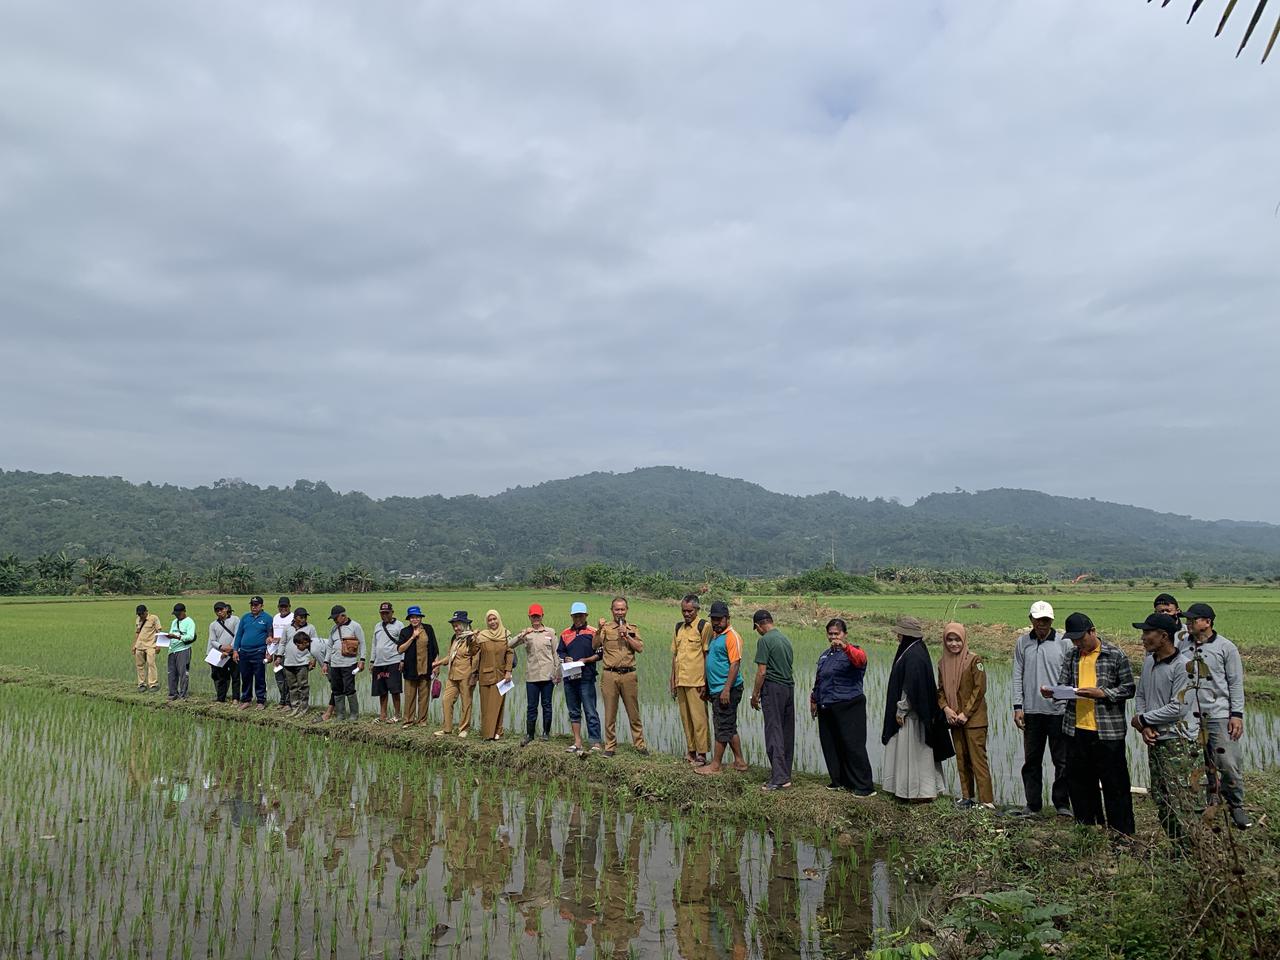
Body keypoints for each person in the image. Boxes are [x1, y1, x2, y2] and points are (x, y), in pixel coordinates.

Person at [1042, 612, 1136, 836]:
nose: (1078, 644)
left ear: (1092, 632)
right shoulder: (1073, 656)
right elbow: (1063, 684)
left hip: (1107, 731)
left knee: (1115, 784)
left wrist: (1102, 693)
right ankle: (1088, 826)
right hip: (1076, 729)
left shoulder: (1114, 655)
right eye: (1074, 640)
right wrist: (1054, 692)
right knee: (1080, 782)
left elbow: (1129, 688)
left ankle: (1121, 830)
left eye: (1081, 639)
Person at [1131, 612, 1201, 848]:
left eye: (1147, 633)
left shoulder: (1184, 667)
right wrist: (1145, 724)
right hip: (1156, 738)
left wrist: (1143, 718)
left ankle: (1192, 849)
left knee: (1180, 800)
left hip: (1177, 743)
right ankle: (1178, 848)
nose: (1143, 638)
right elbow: (1141, 695)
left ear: (1163, 636)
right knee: (1161, 798)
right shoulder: (1150, 660)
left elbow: (1178, 708)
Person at [1178, 602, 1250, 829]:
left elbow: (1235, 683)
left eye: (1193, 620)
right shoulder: (1182, 645)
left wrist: (1236, 714)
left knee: (1227, 762)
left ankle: (1235, 803)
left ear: (1207, 622)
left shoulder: (1226, 648)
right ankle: (1208, 800)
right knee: (1197, 761)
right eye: (1187, 620)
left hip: (1218, 712)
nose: (1188, 623)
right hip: (1190, 713)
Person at [1012, 600, 1073, 817]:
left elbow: (1071, 675)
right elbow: (1017, 675)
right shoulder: (1022, 643)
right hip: (1031, 711)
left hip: (1058, 711)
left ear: (1051, 621)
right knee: (1032, 761)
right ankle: (1033, 804)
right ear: (1031, 620)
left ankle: (1062, 804)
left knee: (1062, 760)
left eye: (1046, 620)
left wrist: (1066, 700)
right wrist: (1018, 706)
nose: (1042, 625)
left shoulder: (1064, 642)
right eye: (1038, 620)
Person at [880, 616, 952, 801]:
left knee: (913, 753)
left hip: (912, 716)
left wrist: (901, 709)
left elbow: (909, 686)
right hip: (919, 713)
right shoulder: (917, 650)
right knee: (919, 754)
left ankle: (914, 791)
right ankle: (919, 790)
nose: (897, 637)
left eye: (900, 634)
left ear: (905, 635)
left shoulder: (912, 655)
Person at [809, 617, 873, 796]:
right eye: (830, 634)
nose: (833, 637)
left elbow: (860, 661)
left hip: (849, 705)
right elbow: (820, 678)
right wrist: (814, 699)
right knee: (831, 744)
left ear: (845, 634)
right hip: (827, 705)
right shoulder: (825, 655)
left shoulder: (854, 651)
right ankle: (839, 780)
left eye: (836, 634)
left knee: (853, 745)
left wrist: (845, 647)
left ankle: (864, 786)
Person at [937, 622, 993, 808]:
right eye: (949, 640)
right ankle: (967, 796)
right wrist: (946, 709)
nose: (953, 644)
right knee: (962, 759)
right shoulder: (942, 663)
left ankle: (986, 801)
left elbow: (979, 689)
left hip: (974, 720)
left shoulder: (974, 660)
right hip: (954, 720)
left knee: (978, 761)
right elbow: (941, 691)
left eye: (957, 640)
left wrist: (965, 713)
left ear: (964, 640)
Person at [695, 601, 749, 776]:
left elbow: (735, 664)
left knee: (722, 726)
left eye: (720, 619)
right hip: (717, 688)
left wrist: (726, 689)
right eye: (714, 619)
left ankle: (715, 765)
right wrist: (706, 686)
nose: (716, 622)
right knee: (728, 725)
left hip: (727, 689)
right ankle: (739, 762)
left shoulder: (732, 636)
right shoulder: (716, 635)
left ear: (728, 618)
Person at [594, 597, 648, 757]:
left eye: (622, 609)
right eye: (616, 609)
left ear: (627, 610)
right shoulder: (606, 628)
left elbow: (640, 648)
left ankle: (639, 744)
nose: (619, 612)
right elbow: (595, 645)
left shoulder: (633, 628)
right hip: (610, 674)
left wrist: (627, 636)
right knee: (610, 713)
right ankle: (610, 746)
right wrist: (598, 629)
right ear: (612, 611)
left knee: (634, 712)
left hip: (629, 675)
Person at [749, 610, 795, 791]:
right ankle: (785, 774)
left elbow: (762, 671)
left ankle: (778, 779)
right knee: (786, 732)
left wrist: (755, 695)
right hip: (788, 688)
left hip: (773, 689)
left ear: (759, 625)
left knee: (773, 731)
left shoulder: (764, 640)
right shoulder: (785, 639)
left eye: (757, 628)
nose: (758, 632)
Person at [670, 594, 712, 765]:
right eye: (684, 611)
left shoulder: (704, 626)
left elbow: (707, 655)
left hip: (697, 681)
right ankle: (691, 751)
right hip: (681, 680)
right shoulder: (678, 627)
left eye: (690, 611)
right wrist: (672, 679)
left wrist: (706, 682)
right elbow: (675, 656)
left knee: (699, 718)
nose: (686, 614)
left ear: (697, 610)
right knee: (686, 718)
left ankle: (702, 754)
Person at [511, 603, 559, 745]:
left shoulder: (550, 633)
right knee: (531, 706)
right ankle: (530, 734)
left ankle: (545, 733)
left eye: (538, 616)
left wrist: (557, 672)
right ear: (529, 617)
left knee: (547, 705)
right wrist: (522, 634)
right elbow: (510, 644)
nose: (536, 618)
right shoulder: (527, 634)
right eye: (533, 616)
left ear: (542, 616)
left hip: (548, 675)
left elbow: (555, 654)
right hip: (532, 676)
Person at [559, 602, 602, 754]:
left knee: (590, 710)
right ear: (571, 616)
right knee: (574, 711)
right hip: (570, 677)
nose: (578, 618)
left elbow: (600, 653)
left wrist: (587, 660)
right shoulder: (565, 633)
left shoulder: (594, 632)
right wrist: (566, 658)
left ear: (586, 616)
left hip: (586, 677)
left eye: (581, 615)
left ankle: (595, 742)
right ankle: (577, 742)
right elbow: (560, 652)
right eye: (575, 616)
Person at [435, 611, 478, 737]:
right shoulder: (455, 638)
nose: (455, 628)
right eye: (454, 625)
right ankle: (447, 728)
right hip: (452, 675)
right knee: (446, 700)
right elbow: (450, 656)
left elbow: (475, 652)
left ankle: (464, 729)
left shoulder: (471, 638)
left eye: (458, 625)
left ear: (465, 624)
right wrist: (437, 663)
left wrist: (473, 638)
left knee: (466, 702)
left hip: (466, 676)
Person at [474, 610, 515, 740]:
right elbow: (473, 651)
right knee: (486, 707)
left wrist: (508, 671)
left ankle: (498, 732)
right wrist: (473, 639)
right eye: (490, 620)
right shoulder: (482, 636)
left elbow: (510, 653)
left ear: (499, 619)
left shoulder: (505, 634)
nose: (492, 622)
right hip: (485, 675)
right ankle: (487, 734)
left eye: (494, 619)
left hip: (502, 676)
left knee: (499, 705)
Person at [398, 605, 438, 728]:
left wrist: (436, 665)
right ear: (409, 619)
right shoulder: (405, 632)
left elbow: (434, 648)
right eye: (412, 617)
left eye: (417, 617)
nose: (415, 619)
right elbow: (400, 649)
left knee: (424, 696)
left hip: (426, 668)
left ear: (421, 618)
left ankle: (422, 720)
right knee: (410, 696)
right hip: (410, 669)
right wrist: (412, 637)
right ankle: (408, 720)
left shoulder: (428, 629)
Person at [326, 605, 366, 721]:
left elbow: (362, 643)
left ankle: (354, 714)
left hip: (349, 664)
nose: (334, 620)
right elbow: (329, 646)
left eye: (335, 618)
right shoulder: (333, 629)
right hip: (335, 664)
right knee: (336, 689)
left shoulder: (355, 626)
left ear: (343, 616)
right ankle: (340, 714)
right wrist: (325, 662)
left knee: (349, 688)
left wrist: (362, 660)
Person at [233, 596, 273, 709]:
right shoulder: (245, 617)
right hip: (244, 652)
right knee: (245, 677)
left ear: (261, 606)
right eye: (252, 605)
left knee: (259, 677)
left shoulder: (267, 618)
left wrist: (269, 652)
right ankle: (246, 700)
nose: (254, 607)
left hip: (259, 651)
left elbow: (271, 636)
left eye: (256, 605)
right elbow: (239, 635)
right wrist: (235, 650)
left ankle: (261, 701)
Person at [371, 602, 406, 724]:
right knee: (382, 690)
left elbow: (403, 644)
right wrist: (372, 660)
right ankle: (383, 715)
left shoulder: (399, 625)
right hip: (379, 662)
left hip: (393, 661)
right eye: (382, 613)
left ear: (392, 612)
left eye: (387, 613)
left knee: (395, 689)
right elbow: (374, 644)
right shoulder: (377, 626)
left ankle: (397, 715)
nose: (384, 615)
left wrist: (402, 660)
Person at [281, 608, 318, 717]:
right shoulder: (287, 628)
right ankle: (295, 708)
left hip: (303, 662)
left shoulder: (310, 628)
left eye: (305, 617)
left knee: (303, 686)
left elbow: (315, 644)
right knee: (292, 687)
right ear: (295, 618)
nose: (303, 619)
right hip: (288, 662)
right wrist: (278, 657)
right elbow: (282, 643)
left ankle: (303, 709)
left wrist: (314, 659)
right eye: (301, 617)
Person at [207, 602, 240, 702]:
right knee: (222, 677)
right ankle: (221, 698)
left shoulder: (235, 619)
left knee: (235, 676)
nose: (219, 612)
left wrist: (231, 648)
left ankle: (236, 698)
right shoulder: (213, 625)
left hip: (234, 652)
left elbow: (237, 635)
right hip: (221, 653)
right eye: (217, 611)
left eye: (221, 609)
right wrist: (221, 647)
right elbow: (212, 640)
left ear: (226, 609)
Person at [165, 602, 196, 701]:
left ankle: (183, 694)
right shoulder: (174, 622)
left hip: (183, 650)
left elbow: (190, 636)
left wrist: (177, 636)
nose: (177, 616)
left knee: (183, 673)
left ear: (183, 612)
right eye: (175, 614)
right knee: (171, 672)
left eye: (178, 614)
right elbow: (171, 633)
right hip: (172, 650)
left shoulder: (189, 622)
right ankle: (173, 693)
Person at [133, 604, 163, 692]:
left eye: (142, 614)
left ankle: (153, 684)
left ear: (146, 611)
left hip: (151, 645)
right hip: (139, 645)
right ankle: (141, 684)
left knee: (151, 664)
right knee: (139, 665)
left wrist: (158, 645)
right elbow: (137, 633)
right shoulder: (138, 620)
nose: (140, 616)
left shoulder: (154, 618)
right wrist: (134, 645)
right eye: (139, 614)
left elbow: (159, 631)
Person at [271, 597, 293, 708]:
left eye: (285, 606)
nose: (283, 608)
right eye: (281, 606)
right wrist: (270, 640)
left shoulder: (293, 617)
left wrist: (280, 639)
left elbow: (296, 636)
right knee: (279, 678)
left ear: (290, 606)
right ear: (278, 607)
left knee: (288, 679)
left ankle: (288, 703)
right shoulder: (275, 617)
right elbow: (273, 634)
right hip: (276, 653)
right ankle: (282, 700)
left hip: (288, 654)